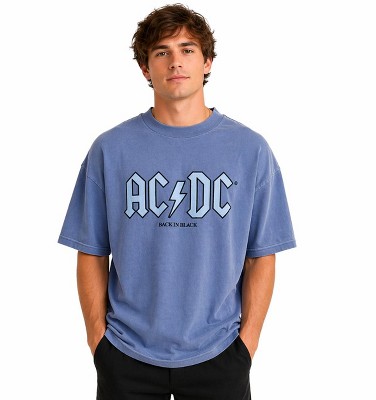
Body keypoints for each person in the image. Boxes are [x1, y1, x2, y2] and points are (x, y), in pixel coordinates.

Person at [58, 3, 296, 399]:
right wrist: (98, 341)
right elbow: (91, 251)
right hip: (125, 352)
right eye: (161, 52)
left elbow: (261, 255)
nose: (176, 62)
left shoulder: (250, 150)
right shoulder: (110, 149)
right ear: (145, 68)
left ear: (207, 62)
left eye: (187, 49)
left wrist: (247, 345)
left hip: (220, 352)